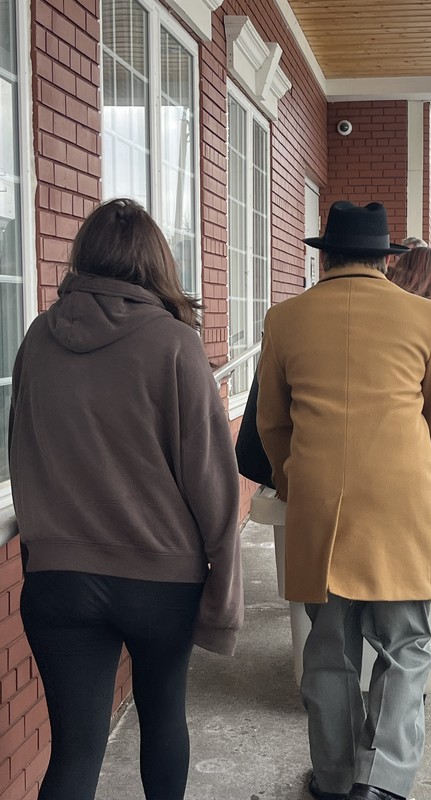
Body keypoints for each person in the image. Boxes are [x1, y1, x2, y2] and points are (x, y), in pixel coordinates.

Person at [8, 198, 243, 800]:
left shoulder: (38, 339)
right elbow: (213, 481)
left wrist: (40, 549)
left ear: (83, 257)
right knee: (163, 720)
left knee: (75, 751)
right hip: (162, 583)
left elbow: (20, 449)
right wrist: (223, 595)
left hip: (59, 579)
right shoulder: (175, 344)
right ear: (156, 262)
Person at [256, 201, 431, 800]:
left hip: (320, 503)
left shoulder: (285, 318)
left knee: (329, 651)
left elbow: (271, 423)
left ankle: (333, 780)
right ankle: (381, 782)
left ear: (326, 257)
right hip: (400, 503)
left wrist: (294, 484)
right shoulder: (424, 316)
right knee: (406, 645)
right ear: (384, 259)